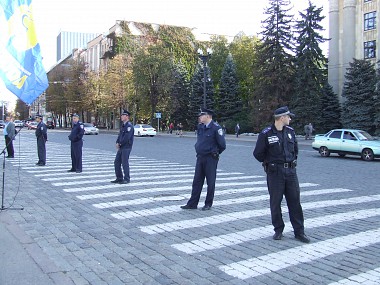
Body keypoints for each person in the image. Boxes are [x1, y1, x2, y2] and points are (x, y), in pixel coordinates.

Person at [253, 106, 310, 243]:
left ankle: (299, 232)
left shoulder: (290, 132)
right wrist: (269, 163)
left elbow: (295, 150)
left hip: (290, 172)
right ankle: (278, 229)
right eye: (288, 116)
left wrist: (291, 162)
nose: (290, 119)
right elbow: (258, 153)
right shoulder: (266, 133)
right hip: (275, 173)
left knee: (295, 202)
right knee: (275, 202)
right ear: (282, 118)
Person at [181, 108, 226, 211]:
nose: (199, 117)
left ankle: (208, 203)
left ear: (208, 116)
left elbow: (222, 145)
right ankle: (192, 203)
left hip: (210, 158)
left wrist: (215, 152)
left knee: (210, 182)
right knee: (197, 181)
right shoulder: (200, 127)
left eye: (202, 115)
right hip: (200, 157)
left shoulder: (216, 128)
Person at [111, 110, 134, 184]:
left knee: (124, 163)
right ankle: (119, 178)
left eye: (123, 115)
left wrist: (120, 143)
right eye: (121, 115)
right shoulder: (123, 125)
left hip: (126, 147)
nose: (121, 117)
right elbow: (120, 135)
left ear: (127, 117)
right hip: (121, 147)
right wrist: (117, 142)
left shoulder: (129, 126)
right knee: (116, 162)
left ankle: (127, 178)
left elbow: (127, 137)